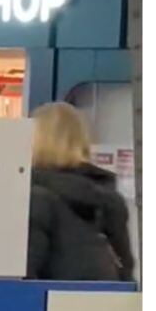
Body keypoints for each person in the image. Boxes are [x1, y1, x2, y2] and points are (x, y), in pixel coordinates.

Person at [27, 102, 133, 281]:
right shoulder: (109, 200)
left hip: (53, 304)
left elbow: (24, 278)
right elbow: (125, 268)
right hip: (105, 303)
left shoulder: (35, 198)